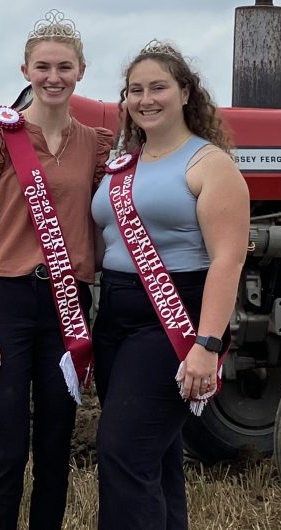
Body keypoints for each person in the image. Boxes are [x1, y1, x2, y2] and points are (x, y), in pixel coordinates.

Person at [0, 9, 113, 530]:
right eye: (43, 67)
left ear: (81, 71)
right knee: (7, 446)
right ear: (25, 70)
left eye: (64, 67)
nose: (53, 77)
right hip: (5, 299)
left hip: (67, 303)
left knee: (55, 446)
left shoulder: (95, 144)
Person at [90, 39, 250, 529]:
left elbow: (227, 260)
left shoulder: (209, 164)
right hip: (115, 316)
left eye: (158, 87)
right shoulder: (123, 163)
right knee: (156, 457)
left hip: (172, 318)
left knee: (123, 453)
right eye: (135, 90)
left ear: (185, 93)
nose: (146, 99)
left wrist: (206, 345)